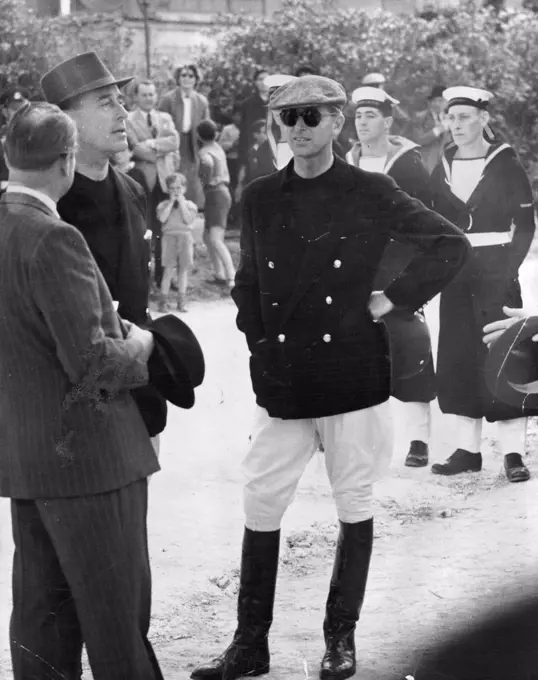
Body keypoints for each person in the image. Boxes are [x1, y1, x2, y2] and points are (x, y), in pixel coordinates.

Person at [189, 75, 470, 680]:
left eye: (311, 116)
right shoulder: (261, 196)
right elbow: (247, 283)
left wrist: (391, 300)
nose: (298, 129)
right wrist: (258, 341)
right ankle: (249, 644)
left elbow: (448, 243)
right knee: (261, 501)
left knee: (354, 501)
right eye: (286, 118)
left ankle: (340, 640)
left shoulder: (371, 189)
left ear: (338, 121)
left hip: (351, 371)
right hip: (285, 377)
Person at [0, 101, 162, 680]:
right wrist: (139, 346)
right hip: (91, 462)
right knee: (116, 625)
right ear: (67, 161)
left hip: (27, 461)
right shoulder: (53, 236)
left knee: (42, 622)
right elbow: (94, 365)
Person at [41, 50, 166, 454]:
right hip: (70, 404)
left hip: (136, 390)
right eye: (106, 102)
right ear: (68, 121)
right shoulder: (48, 203)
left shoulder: (132, 192)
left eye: (121, 101)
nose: (123, 113)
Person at [430, 86, 536, 483]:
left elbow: (525, 225)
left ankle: (513, 454)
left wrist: (507, 270)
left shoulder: (505, 162)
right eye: (450, 117)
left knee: (506, 356)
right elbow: (430, 218)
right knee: (458, 355)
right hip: (456, 271)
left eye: (464, 117)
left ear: (484, 119)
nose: (455, 125)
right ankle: (467, 451)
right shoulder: (442, 162)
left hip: (497, 269)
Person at [346, 86, 436, 467]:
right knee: (355, 353)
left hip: (397, 270)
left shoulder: (409, 162)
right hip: (354, 272)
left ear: (387, 121)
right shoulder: (345, 160)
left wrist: (416, 278)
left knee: (411, 350)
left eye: (370, 116)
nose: (362, 123)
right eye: (358, 116)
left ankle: (419, 441)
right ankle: (358, 439)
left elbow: (426, 221)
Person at [127, 78, 180, 288]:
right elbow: (136, 150)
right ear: (136, 97)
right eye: (144, 95)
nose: (149, 99)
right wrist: (161, 149)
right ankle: (144, 277)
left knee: (165, 229)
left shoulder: (165, 117)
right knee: (146, 229)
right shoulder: (129, 120)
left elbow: (175, 142)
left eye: (151, 94)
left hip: (165, 179)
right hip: (144, 180)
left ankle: (164, 276)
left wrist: (150, 143)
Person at [159, 63, 210, 209]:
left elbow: (206, 128)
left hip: (193, 146)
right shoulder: (168, 99)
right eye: (183, 75)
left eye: (191, 76)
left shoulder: (201, 100)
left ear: (196, 79)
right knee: (173, 179)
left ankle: (192, 216)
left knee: (193, 183)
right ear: (178, 78)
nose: (187, 79)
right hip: (174, 145)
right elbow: (160, 126)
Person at [197, 119, 236, 288]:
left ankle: (231, 276)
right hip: (223, 192)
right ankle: (219, 273)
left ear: (199, 136)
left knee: (215, 238)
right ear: (216, 134)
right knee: (208, 236)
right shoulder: (218, 147)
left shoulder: (204, 152)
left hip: (215, 193)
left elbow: (208, 164)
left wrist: (205, 180)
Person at [157, 172, 198, 313]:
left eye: (179, 188)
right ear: (168, 190)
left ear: (184, 189)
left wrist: (181, 203)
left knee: (183, 270)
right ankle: (163, 301)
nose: (175, 191)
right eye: (172, 188)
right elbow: (162, 219)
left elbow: (188, 220)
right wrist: (170, 204)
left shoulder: (190, 205)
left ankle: (181, 301)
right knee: (168, 270)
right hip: (169, 238)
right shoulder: (163, 205)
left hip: (185, 238)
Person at [236, 68, 269, 183]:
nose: (264, 82)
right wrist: (243, 158)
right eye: (260, 79)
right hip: (252, 152)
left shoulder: (278, 103)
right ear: (255, 82)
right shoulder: (248, 104)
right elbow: (244, 132)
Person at [408, 85, 450, 174]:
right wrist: (439, 129)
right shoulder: (419, 118)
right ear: (429, 103)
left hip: (447, 167)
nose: (437, 104)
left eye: (441, 100)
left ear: (447, 103)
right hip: (427, 166)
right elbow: (418, 140)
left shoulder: (452, 118)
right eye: (434, 100)